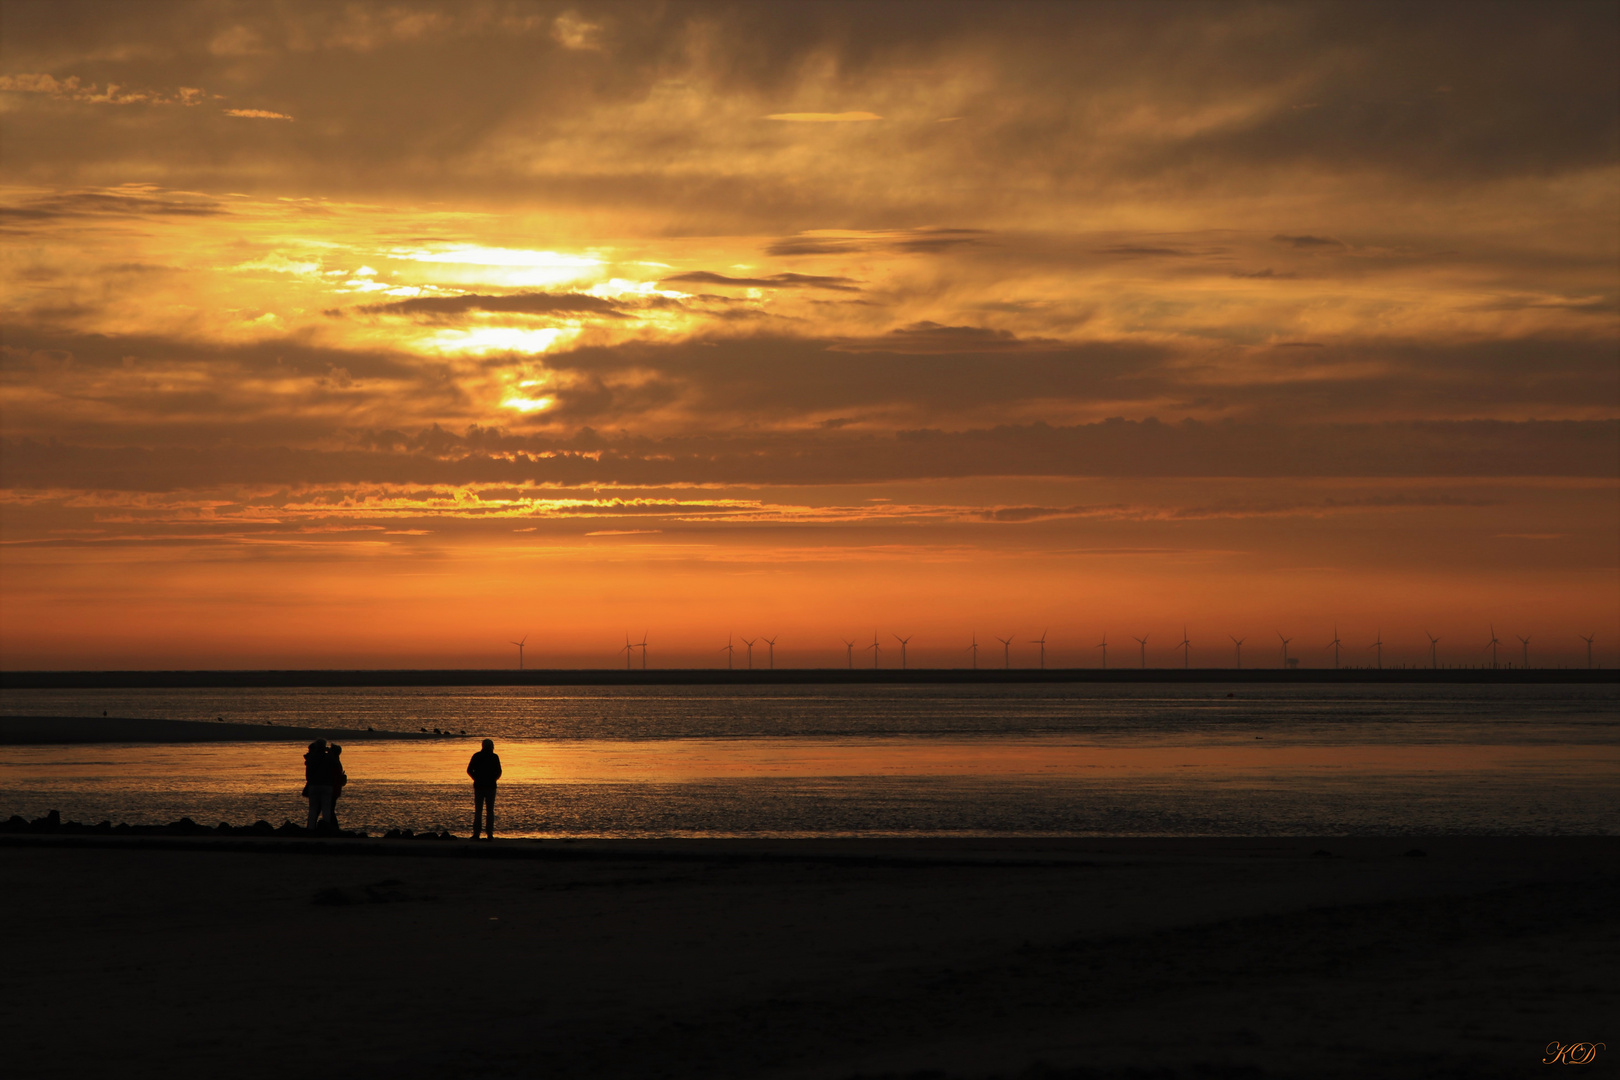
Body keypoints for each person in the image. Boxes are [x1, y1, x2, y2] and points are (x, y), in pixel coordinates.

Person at [466, 739, 502, 840]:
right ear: (491, 746)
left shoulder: (477, 756)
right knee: (490, 811)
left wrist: (475, 778)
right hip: (490, 786)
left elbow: (469, 770)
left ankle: (476, 834)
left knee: (479, 811)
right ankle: (489, 834)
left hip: (479, 786)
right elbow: (499, 771)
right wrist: (494, 779)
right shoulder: (494, 757)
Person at [303, 740, 333, 832]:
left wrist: (310, 782)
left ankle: (311, 828)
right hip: (326, 785)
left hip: (314, 785)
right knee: (326, 809)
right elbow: (334, 764)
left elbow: (307, 774)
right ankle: (326, 828)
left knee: (313, 809)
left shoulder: (311, 758)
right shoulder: (328, 757)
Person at [326, 744, 348, 833]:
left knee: (330, 810)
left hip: (333, 789)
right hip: (335, 789)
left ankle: (334, 828)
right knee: (330, 810)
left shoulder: (334, 762)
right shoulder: (336, 761)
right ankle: (334, 828)